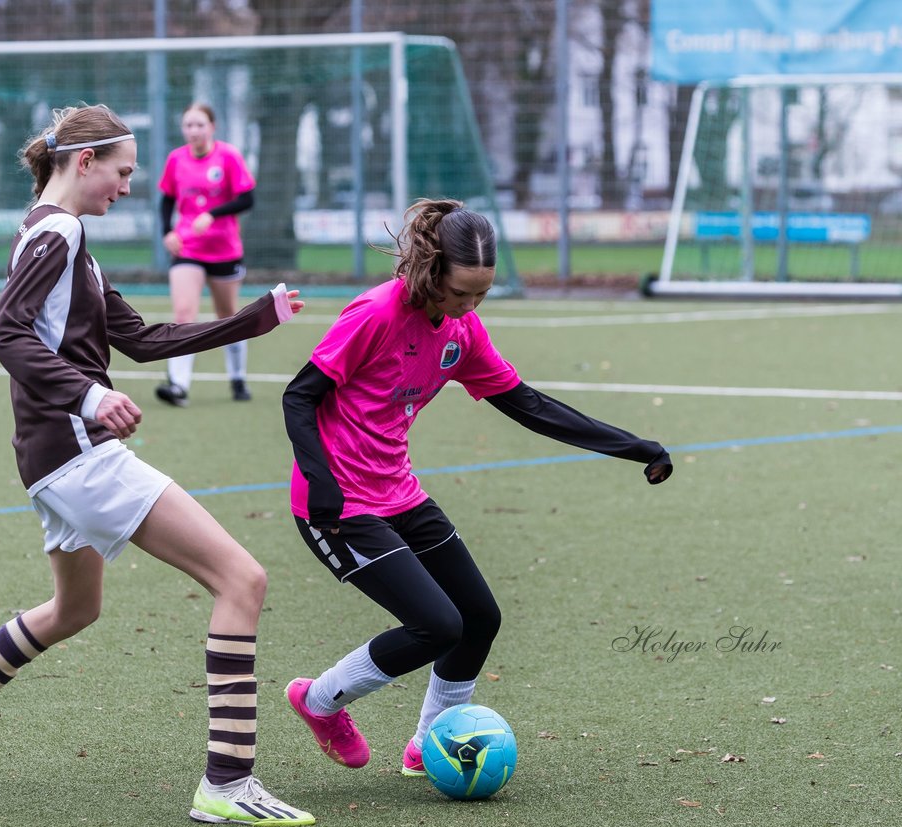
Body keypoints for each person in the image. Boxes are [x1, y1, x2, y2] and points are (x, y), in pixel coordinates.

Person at [0, 104, 314, 827]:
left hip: (51, 457)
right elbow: (6, 334)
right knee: (243, 579)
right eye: (123, 171)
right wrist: (87, 395)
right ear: (84, 163)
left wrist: (254, 319)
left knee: (76, 608)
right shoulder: (59, 231)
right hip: (78, 453)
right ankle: (228, 784)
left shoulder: (63, 239)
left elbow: (141, 340)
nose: (129, 186)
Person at [280, 198, 673, 777]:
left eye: (480, 296)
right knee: (436, 625)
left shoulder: (461, 329)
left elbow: (528, 405)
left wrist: (631, 445)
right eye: (460, 292)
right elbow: (299, 395)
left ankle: (429, 745)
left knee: (479, 618)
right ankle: (318, 701)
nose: (468, 306)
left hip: (399, 493)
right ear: (431, 269)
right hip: (337, 505)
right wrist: (320, 483)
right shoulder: (376, 314)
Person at [153, 103, 257, 407]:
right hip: (188, 248)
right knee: (184, 315)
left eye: (200, 125)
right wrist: (167, 233)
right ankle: (178, 385)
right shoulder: (176, 159)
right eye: (188, 125)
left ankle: (237, 377)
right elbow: (167, 200)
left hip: (224, 249)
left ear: (212, 127)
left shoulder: (228, 157)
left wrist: (213, 214)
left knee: (228, 318)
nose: (194, 131)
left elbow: (247, 199)